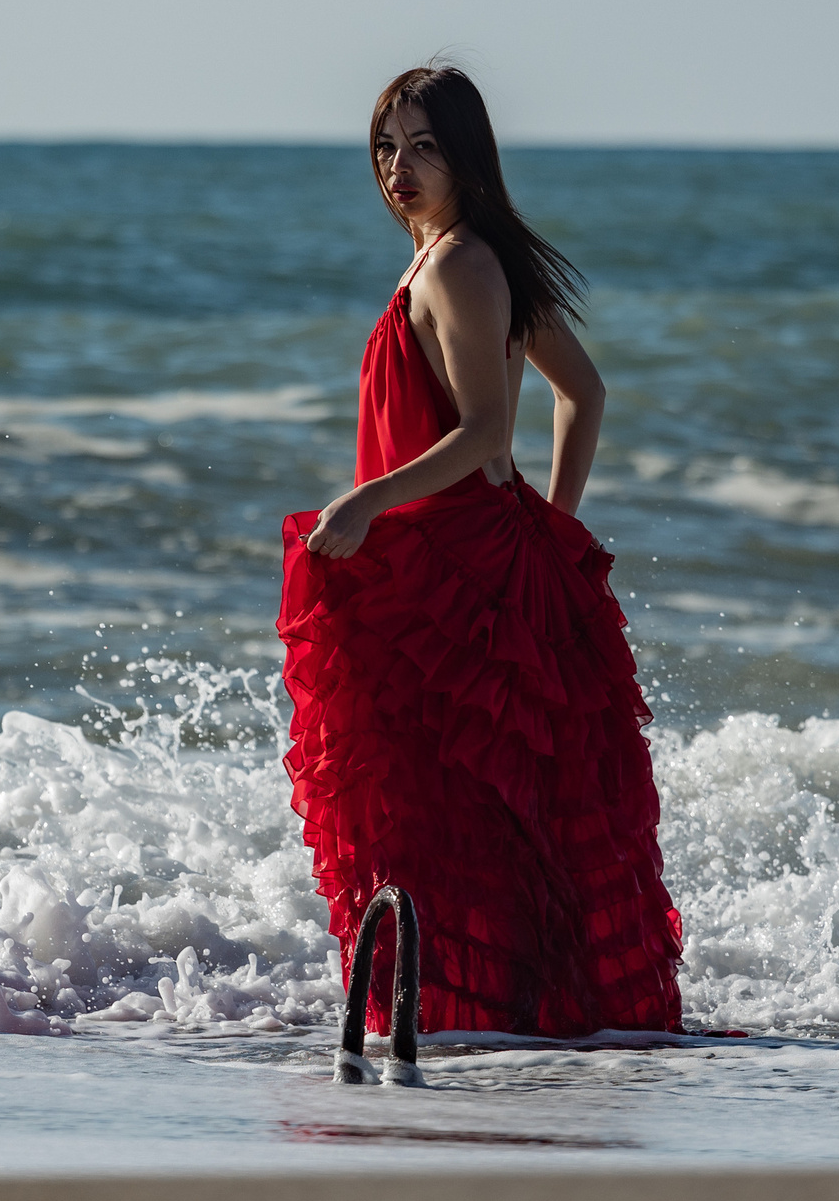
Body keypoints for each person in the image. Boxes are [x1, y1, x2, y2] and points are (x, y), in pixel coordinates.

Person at [280, 64, 681, 1038]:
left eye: (423, 146)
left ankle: (467, 1029)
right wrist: (553, 528)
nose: (399, 167)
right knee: (477, 817)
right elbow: (583, 394)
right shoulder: (458, 256)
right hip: (479, 561)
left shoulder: (461, 264)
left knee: (447, 814)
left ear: (467, 156)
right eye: (385, 146)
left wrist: (369, 500)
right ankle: (492, 1031)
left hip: (454, 573)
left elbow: (485, 435)